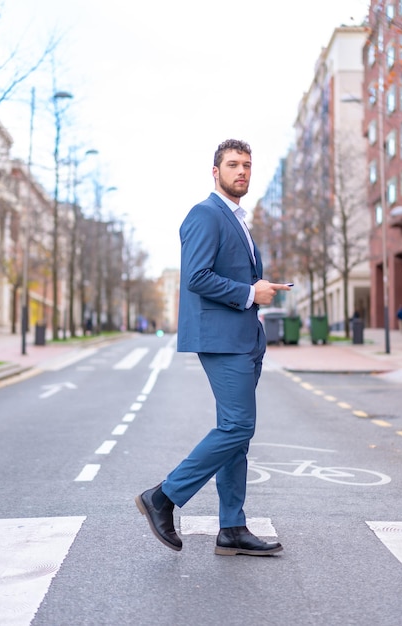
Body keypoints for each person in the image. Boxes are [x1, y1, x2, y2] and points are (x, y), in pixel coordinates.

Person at [135, 139, 291, 556]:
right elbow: (197, 277)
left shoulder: (238, 218)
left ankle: (232, 527)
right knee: (237, 427)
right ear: (215, 171)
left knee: (235, 435)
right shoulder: (205, 214)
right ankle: (163, 497)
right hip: (222, 340)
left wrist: (259, 289)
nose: (242, 171)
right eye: (233, 165)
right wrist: (249, 292)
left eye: (247, 165)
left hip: (243, 337)